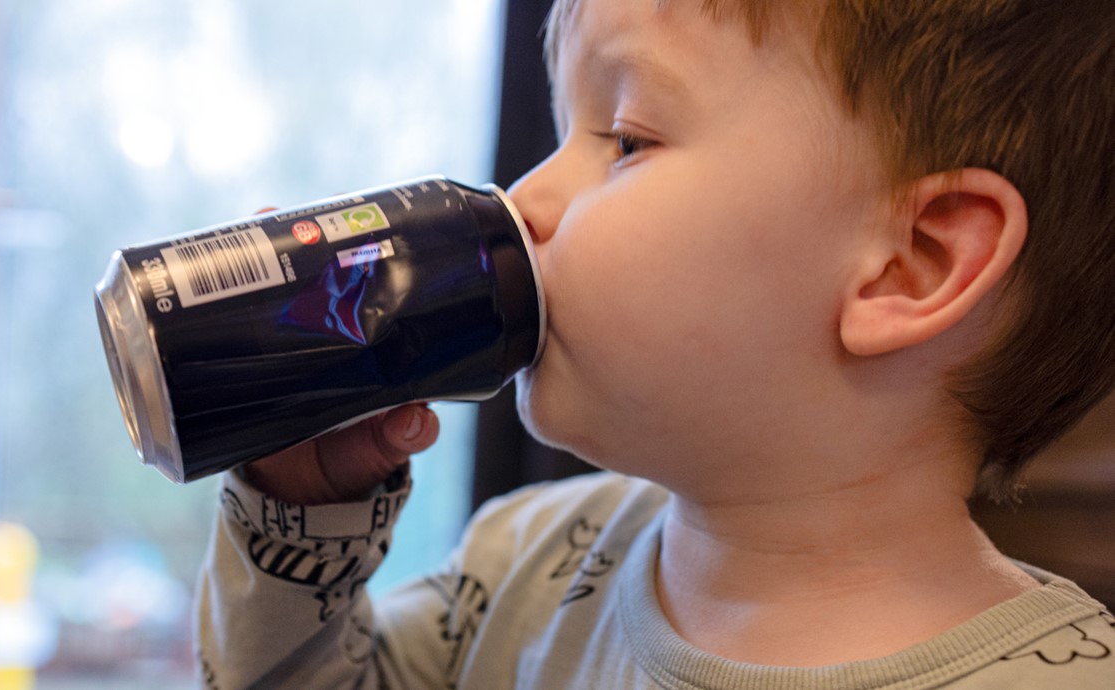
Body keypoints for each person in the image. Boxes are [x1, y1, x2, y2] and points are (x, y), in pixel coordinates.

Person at [195, 0, 1115, 687]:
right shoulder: (527, 561)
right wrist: (299, 522)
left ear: (909, 265)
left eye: (626, 138)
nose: (524, 202)